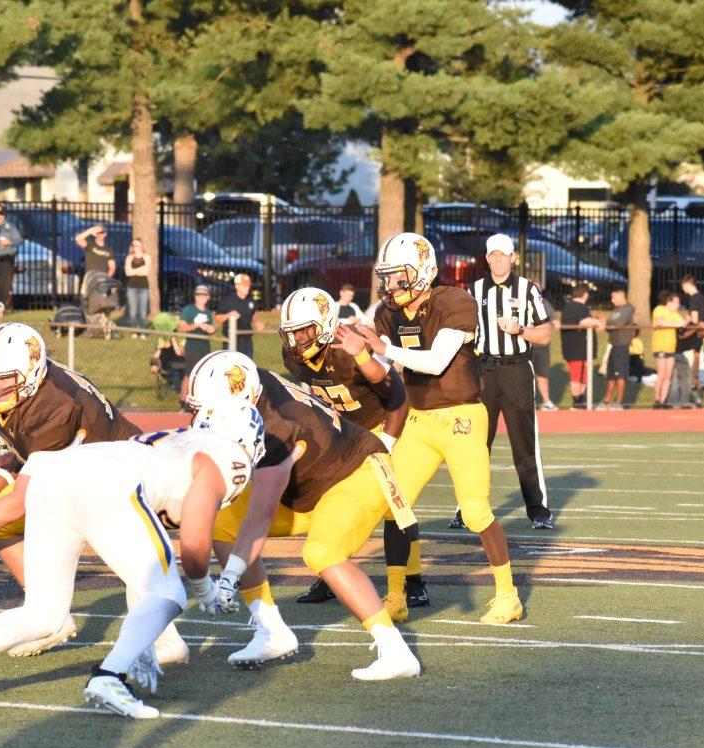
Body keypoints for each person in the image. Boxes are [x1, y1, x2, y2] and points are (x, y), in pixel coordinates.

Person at [0, 403, 264, 718]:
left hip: (53, 476)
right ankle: (109, 677)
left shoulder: (172, 442)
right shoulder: (230, 456)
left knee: (44, 614)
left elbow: (141, 568)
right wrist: (206, 592)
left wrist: (142, 639)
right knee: (170, 593)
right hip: (106, 485)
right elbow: (194, 542)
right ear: (248, 438)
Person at [0, 323, 193, 664]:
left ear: (32, 372)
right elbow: (22, 435)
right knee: (1, 506)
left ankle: (166, 641)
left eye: (4, 379)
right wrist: (13, 446)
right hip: (75, 469)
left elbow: (18, 502)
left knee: (126, 556)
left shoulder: (56, 410)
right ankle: (50, 613)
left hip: (118, 474)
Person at [186, 352, 422, 678]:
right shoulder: (250, 389)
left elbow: (261, 515)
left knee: (322, 552)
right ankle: (272, 631)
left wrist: (229, 577)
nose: (199, 415)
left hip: (355, 473)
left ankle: (396, 650)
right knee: (224, 524)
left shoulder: (276, 428)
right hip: (308, 484)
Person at [357, 232, 523, 624]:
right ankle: (396, 595)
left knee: (475, 510)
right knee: (394, 506)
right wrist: (358, 350)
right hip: (418, 419)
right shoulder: (388, 312)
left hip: (462, 417)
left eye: (400, 277)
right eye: (389, 277)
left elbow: (435, 361)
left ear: (423, 272)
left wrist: (384, 349)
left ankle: (508, 596)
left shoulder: (455, 301)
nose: (391, 285)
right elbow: (379, 367)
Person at [276, 287, 415, 614]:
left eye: (304, 331)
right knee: (329, 500)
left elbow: (397, 397)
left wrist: (388, 442)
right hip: (344, 435)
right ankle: (330, 577)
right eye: (292, 333)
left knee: (395, 507)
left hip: (383, 426)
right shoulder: (295, 357)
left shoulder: (350, 348)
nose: (296, 341)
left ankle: (408, 585)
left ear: (324, 323)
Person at [463, 232, 554, 528]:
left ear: (513, 257)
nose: (499, 260)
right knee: (475, 445)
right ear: (487, 258)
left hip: (516, 370)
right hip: (483, 371)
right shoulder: (473, 290)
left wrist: (519, 330)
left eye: (504, 254)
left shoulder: (528, 289)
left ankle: (537, 510)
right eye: (494, 255)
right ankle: (467, 509)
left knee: (524, 444)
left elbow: (545, 334)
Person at [558, 284, 603, 408]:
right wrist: (597, 322)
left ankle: (580, 400)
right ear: (585, 294)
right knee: (577, 375)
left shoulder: (569, 306)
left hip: (578, 348)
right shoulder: (578, 307)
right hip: (577, 347)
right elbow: (584, 322)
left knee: (583, 375)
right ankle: (577, 401)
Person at [178, 285, 216, 400]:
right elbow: (182, 327)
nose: (201, 297)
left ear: (208, 297)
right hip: (192, 346)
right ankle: (183, 400)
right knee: (190, 374)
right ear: (195, 296)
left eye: (204, 295)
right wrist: (195, 325)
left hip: (204, 346)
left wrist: (208, 328)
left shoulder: (208, 312)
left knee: (203, 374)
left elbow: (212, 329)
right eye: (199, 295)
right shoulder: (188, 310)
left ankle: (199, 399)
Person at [651, 291, 687, 409]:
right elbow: (659, 323)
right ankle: (657, 399)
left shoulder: (675, 314)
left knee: (668, 375)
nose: (678, 305)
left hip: (671, 347)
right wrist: (675, 324)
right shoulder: (660, 309)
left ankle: (663, 400)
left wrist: (685, 321)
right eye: (676, 302)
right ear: (669, 302)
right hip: (660, 345)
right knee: (661, 374)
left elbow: (682, 324)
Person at [601, 287, 636, 409]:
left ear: (621, 297)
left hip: (622, 344)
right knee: (610, 374)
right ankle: (606, 401)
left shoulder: (628, 309)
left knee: (620, 374)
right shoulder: (616, 309)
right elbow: (610, 326)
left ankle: (619, 402)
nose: (612, 300)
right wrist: (605, 323)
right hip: (614, 344)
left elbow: (617, 324)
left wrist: (606, 323)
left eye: (613, 297)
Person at [214, 272, 263, 358]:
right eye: (244, 285)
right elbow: (217, 318)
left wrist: (257, 322)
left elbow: (254, 314)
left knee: (247, 367)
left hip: (247, 341)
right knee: (232, 367)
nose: (247, 288)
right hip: (232, 340)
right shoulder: (227, 301)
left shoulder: (250, 300)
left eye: (248, 285)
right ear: (237, 286)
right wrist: (229, 315)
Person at [679, 275, 704, 406]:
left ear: (687, 284)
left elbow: (695, 320)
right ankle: (697, 393)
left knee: (693, 363)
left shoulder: (694, 299)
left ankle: (695, 392)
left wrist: (687, 324)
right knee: (697, 361)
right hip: (699, 334)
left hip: (695, 334)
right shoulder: (700, 297)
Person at [123, 238, 151, 334]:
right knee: (133, 311)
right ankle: (134, 331)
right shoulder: (129, 258)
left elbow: (146, 271)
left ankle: (143, 331)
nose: (135, 247)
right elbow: (128, 273)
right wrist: (140, 270)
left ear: (142, 246)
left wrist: (134, 271)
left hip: (143, 287)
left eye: (137, 245)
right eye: (133, 245)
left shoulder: (147, 257)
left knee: (143, 311)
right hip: (132, 287)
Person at [533, 293, 556, 410]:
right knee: (525, 375)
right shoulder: (519, 301)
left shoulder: (545, 303)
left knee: (542, 374)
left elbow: (555, 321)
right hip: (526, 345)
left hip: (542, 346)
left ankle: (546, 401)